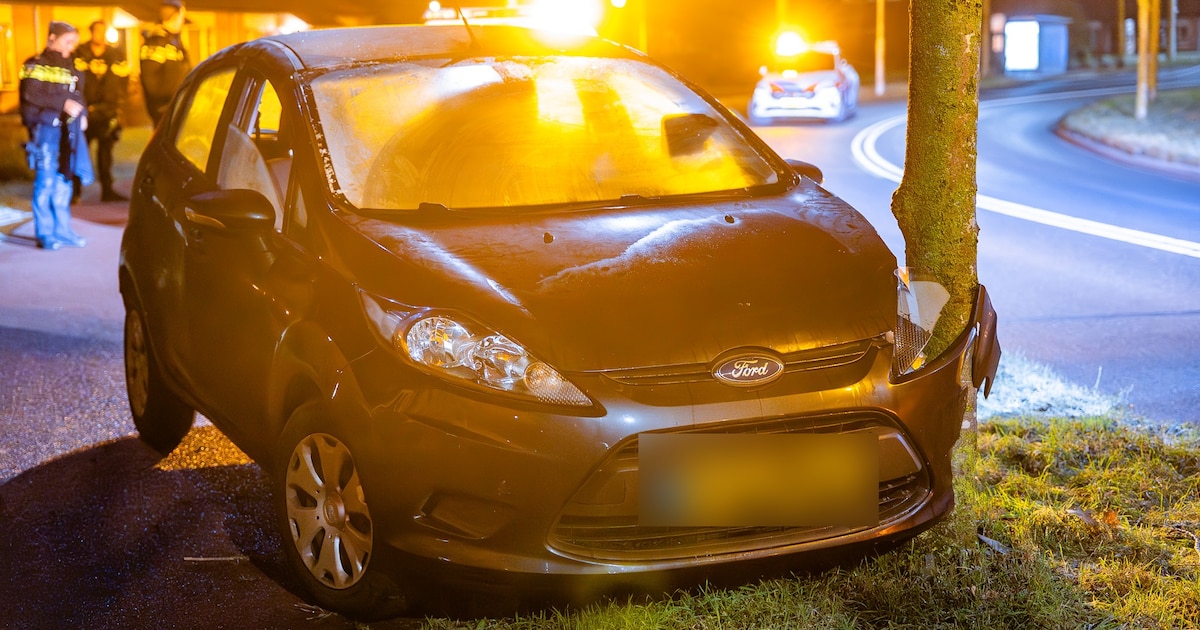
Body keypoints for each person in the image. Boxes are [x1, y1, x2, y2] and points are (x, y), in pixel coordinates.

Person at [19, 21, 92, 250]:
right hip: (45, 132)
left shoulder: (73, 66)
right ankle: (45, 234)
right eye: (67, 42)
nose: (71, 48)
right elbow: (31, 94)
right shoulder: (34, 65)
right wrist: (63, 103)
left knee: (65, 181)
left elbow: (79, 95)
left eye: (74, 43)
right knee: (45, 182)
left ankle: (63, 230)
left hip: (67, 132)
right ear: (52, 38)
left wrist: (84, 114)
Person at [74, 20, 130, 202]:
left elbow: (124, 81)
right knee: (80, 151)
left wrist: (118, 104)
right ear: (91, 33)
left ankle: (107, 190)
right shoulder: (80, 54)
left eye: (102, 31)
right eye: (96, 31)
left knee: (106, 153)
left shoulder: (116, 55)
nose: (100, 34)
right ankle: (75, 191)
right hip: (85, 111)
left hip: (107, 112)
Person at [140, 0, 190, 126]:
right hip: (165, 110)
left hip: (176, 106)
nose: (183, 21)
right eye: (182, 17)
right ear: (174, 16)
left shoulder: (174, 41)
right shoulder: (157, 43)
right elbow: (152, 85)